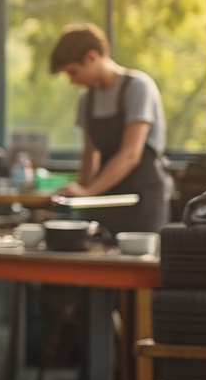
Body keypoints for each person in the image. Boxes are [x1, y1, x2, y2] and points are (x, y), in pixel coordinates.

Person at [50, 23, 170, 234]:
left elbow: (130, 155)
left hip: (141, 202)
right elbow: (90, 151)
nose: (71, 80)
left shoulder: (137, 87)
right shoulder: (87, 99)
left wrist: (88, 191)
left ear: (92, 57)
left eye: (73, 72)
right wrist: (79, 189)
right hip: (103, 199)